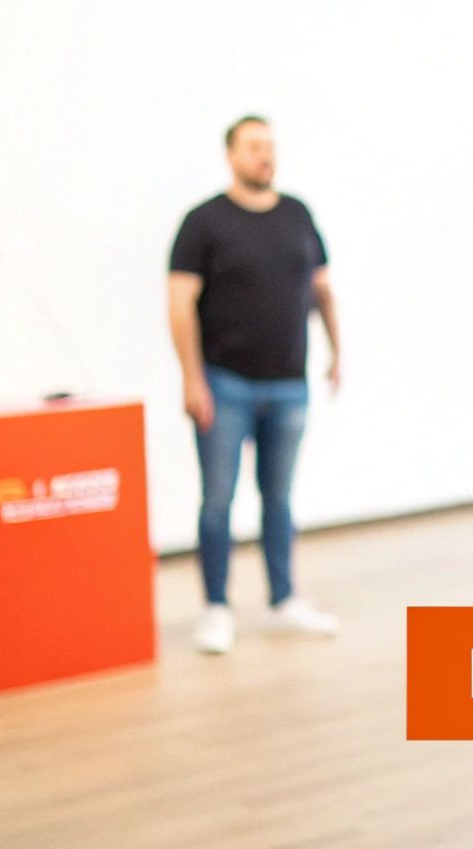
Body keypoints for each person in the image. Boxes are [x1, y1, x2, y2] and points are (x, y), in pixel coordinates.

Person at [168, 115, 343, 654]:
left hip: (289, 385)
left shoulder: (297, 214)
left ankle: (284, 597)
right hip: (225, 384)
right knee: (218, 501)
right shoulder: (203, 223)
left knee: (279, 499)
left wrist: (337, 352)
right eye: (253, 147)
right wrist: (192, 378)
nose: (264, 155)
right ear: (231, 156)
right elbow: (179, 305)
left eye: (270, 146)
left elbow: (322, 289)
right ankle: (216, 608)